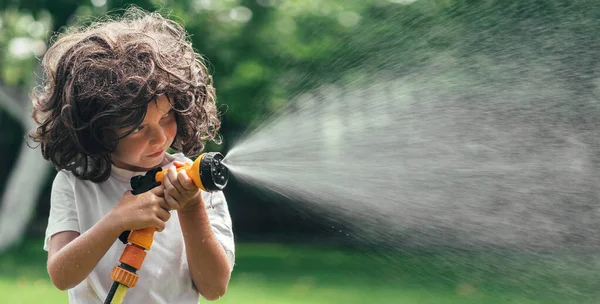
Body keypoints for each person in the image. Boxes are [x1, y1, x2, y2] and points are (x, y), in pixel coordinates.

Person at [28, 7, 234, 304]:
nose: (160, 137)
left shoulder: (194, 181)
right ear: (96, 128)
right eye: (138, 127)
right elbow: (62, 276)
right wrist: (115, 221)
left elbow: (214, 287)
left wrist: (191, 208)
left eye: (167, 117)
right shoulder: (75, 183)